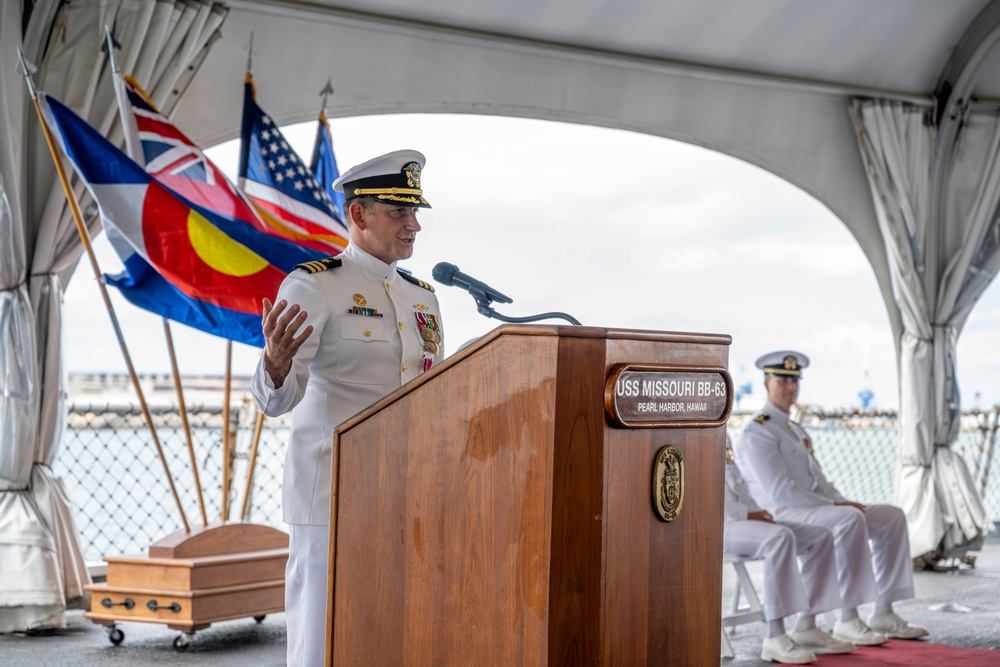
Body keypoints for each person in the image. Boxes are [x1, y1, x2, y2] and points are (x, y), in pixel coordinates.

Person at [251, 149, 444, 667]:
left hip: (406, 488)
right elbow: (277, 398)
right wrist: (274, 363)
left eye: (415, 211)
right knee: (322, 636)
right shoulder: (315, 285)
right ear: (359, 216)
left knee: (393, 629)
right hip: (331, 492)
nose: (414, 225)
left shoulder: (422, 297)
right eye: (400, 212)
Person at [734, 351, 929, 648]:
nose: (791, 388)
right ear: (766, 383)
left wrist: (843, 500)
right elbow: (780, 492)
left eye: (795, 381)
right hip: (781, 511)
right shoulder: (756, 431)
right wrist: (838, 507)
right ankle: (848, 618)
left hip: (811, 507)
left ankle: (883, 611)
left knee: (891, 516)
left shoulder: (793, 428)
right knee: (849, 519)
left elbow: (820, 481)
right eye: (783, 380)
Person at [724, 447, 854, 663]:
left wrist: (756, 512)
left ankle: (806, 626)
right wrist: (746, 513)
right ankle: (774, 636)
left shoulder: (721, 433)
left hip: (745, 518)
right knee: (779, 538)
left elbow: (738, 488)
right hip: (720, 525)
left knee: (819, 537)